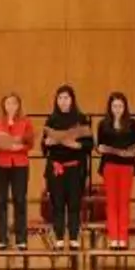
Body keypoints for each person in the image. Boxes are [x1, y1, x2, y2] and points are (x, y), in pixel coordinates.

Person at [42, 85, 94, 249]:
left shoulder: (81, 119)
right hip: (56, 167)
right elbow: (44, 147)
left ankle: (73, 237)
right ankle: (58, 237)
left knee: (74, 203)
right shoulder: (51, 120)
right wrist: (48, 142)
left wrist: (76, 145)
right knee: (57, 203)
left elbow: (89, 144)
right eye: (60, 98)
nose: (63, 101)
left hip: (75, 168)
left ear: (72, 100)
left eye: (66, 98)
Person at [0, 93, 34, 250]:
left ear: (18, 105)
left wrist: (20, 146)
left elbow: (30, 143)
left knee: (20, 200)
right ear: (3, 106)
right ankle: (2, 238)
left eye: (14, 103)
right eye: (8, 103)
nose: (11, 106)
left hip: (20, 164)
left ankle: (21, 239)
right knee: (1, 201)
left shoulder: (25, 122)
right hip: (0, 163)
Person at [97, 92, 135, 250]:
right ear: (110, 107)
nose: (117, 109)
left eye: (120, 106)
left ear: (125, 107)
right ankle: (113, 237)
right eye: (114, 106)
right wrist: (104, 149)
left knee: (123, 201)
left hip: (126, 165)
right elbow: (99, 146)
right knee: (112, 202)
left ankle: (123, 237)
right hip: (110, 165)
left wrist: (129, 151)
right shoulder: (103, 124)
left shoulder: (132, 124)